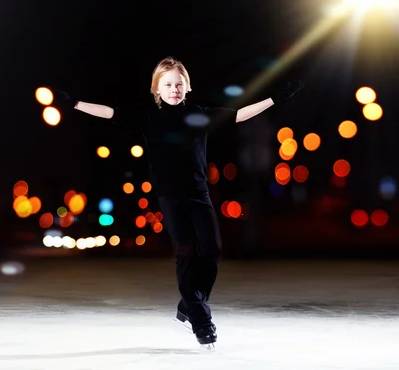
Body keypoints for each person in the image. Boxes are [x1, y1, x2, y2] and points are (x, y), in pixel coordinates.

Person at [52, 56, 302, 347]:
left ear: (187, 87)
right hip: (170, 196)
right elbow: (110, 113)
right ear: (157, 89)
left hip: (199, 194)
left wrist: (275, 98)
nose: (174, 89)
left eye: (179, 84)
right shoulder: (149, 118)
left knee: (211, 251)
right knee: (185, 252)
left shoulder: (199, 114)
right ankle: (201, 322)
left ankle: (188, 304)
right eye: (168, 84)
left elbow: (238, 114)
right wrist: (75, 103)